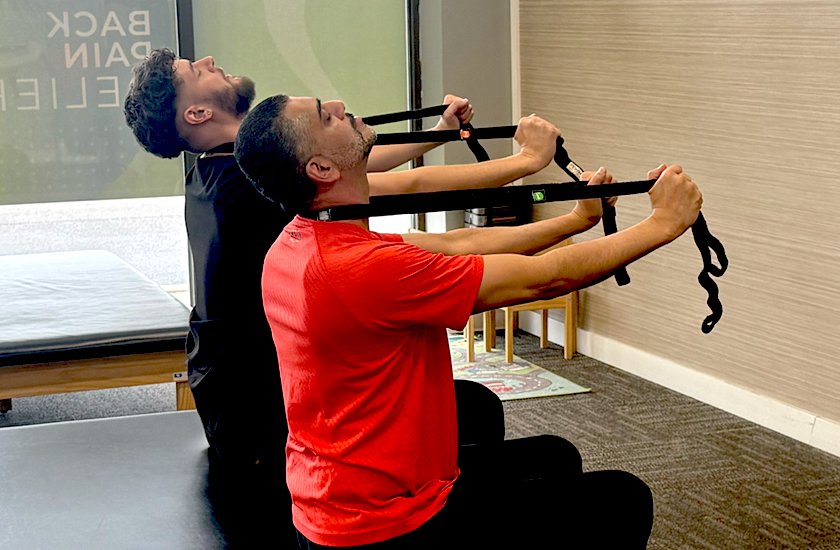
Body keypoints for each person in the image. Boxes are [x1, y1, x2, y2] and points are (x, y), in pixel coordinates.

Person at [123, 48, 576, 546]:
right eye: (194, 70)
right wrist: (526, 162)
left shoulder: (215, 169)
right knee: (474, 411)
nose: (208, 60)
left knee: (473, 407)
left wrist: (441, 133)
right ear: (196, 113)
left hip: (237, 393)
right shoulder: (244, 190)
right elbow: (409, 185)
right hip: (259, 415)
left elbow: (351, 166)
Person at [234, 94, 703, 549]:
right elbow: (544, 279)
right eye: (325, 116)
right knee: (622, 500)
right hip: (386, 526)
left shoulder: (303, 241)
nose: (338, 106)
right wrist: (663, 223)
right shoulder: (358, 269)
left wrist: (576, 220)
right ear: (321, 169)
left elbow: (458, 244)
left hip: (340, 501)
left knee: (553, 456)